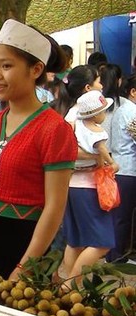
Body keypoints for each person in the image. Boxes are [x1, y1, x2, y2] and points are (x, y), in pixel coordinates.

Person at [0, 19, 77, 279]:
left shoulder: (54, 129)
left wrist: (25, 269)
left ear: (35, 69)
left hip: (28, 243)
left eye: (7, 66)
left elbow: (55, 208)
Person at [61, 90, 117, 282]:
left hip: (70, 185)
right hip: (89, 187)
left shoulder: (73, 122)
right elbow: (104, 155)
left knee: (74, 241)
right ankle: (70, 286)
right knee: (103, 243)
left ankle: (71, 288)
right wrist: (110, 163)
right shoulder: (96, 131)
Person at [108, 74, 136, 262]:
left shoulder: (121, 109)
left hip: (119, 166)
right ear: (133, 91)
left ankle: (114, 253)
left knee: (119, 216)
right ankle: (116, 256)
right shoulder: (132, 112)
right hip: (128, 169)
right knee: (123, 216)